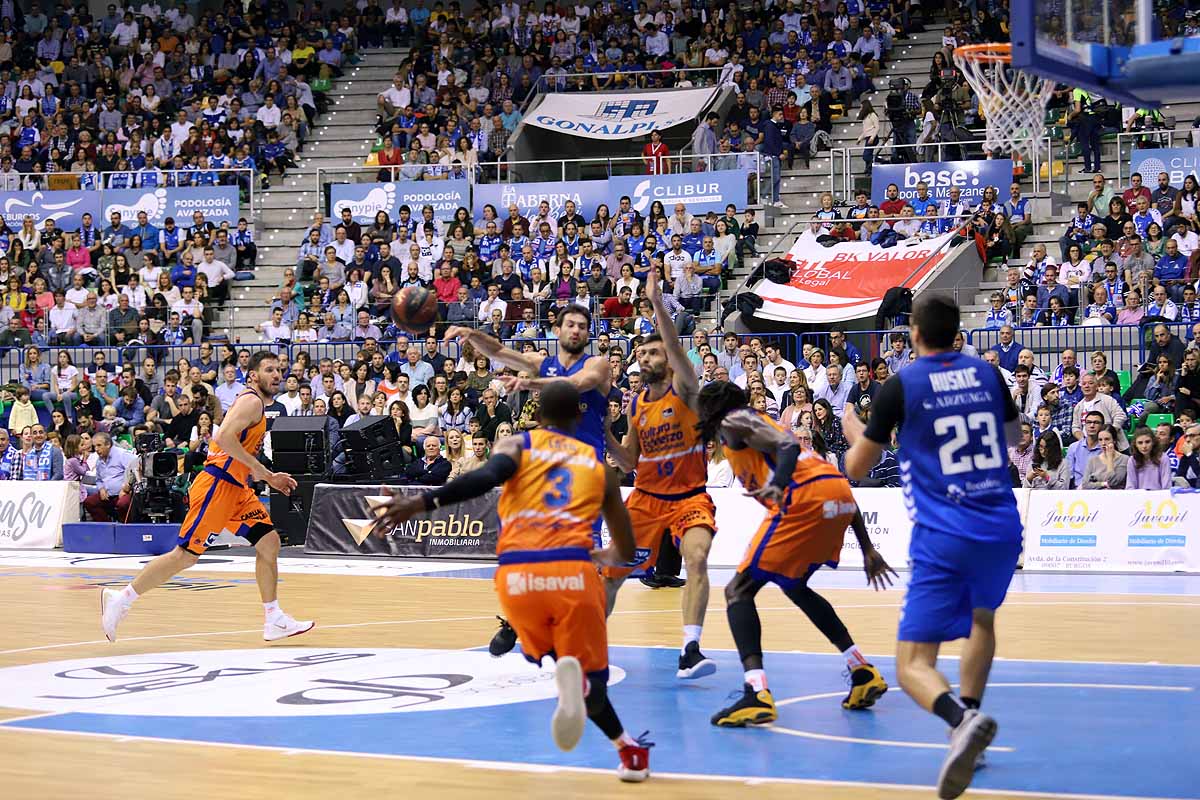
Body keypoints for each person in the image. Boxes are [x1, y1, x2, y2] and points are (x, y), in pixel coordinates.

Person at [370, 380, 651, 782]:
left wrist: (419, 502)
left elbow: (484, 478)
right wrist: (609, 554)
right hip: (573, 569)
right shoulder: (599, 467)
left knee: (558, 655)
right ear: (578, 417)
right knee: (590, 677)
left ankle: (625, 746)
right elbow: (624, 547)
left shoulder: (519, 446)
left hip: (518, 575)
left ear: (536, 417)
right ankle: (590, 697)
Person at [842, 295, 1022, 800]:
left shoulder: (902, 384)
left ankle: (960, 718)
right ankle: (967, 727)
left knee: (912, 664)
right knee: (981, 620)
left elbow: (856, 468)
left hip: (947, 531)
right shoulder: (989, 374)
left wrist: (857, 429)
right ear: (957, 333)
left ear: (914, 334)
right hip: (1002, 525)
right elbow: (1012, 436)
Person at [696, 381, 894, 727]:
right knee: (795, 586)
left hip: (802, 497)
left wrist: (779, 482)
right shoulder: (749, 425)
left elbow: (787, 446)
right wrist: (867, 547)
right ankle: (862, 670)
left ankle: (755, 692)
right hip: (839, 497)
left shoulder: (735, 420)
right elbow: (831, 483)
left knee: (737, 591)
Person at [100, 352, 312, 644]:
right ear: (253, 375)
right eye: (269, 369)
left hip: (236, 489)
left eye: (279, 369)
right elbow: (223, 438)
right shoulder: (251, 401)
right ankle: (120, 599)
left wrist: (260, 474)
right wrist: (266, 474)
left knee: (269, 542)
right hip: (218, 486)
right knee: (184, 557)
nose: (276, 374)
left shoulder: (254, 404)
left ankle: (273, 618)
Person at [445, 304, 612, 654]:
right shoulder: (542, 361)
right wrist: (471, 335)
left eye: (583, 326)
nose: (576, 330)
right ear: (560, 329)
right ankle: (518, 620)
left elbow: (577, 385)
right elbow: (500, 351)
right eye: (570, 324)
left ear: (587, 332)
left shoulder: (597, 364)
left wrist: (529, 383)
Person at [603, 268, 718, 680]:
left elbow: (672, 342)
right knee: (610, 579)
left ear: (667, 360)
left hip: (690, 497)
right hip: (646, 501)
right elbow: (630, 462)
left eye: (655, 353)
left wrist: (655, 301)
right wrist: (605, 437)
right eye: (643, 354)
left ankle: (690, 648)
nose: (649, 357)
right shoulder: (635, 406)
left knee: (698, 558)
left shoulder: (685, 388)